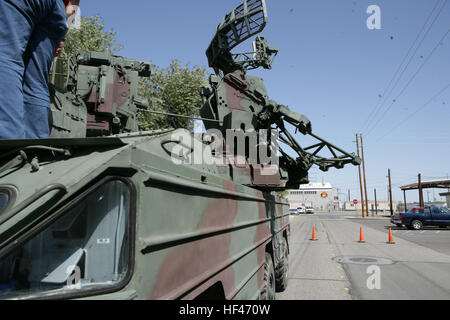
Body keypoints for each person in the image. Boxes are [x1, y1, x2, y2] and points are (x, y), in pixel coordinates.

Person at [0, 0, 80, 139]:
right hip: (57, 9)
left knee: (5, 58)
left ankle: (7, 143)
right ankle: (34, 147)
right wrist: (64, 29)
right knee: (36, 81)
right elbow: (72, 8)